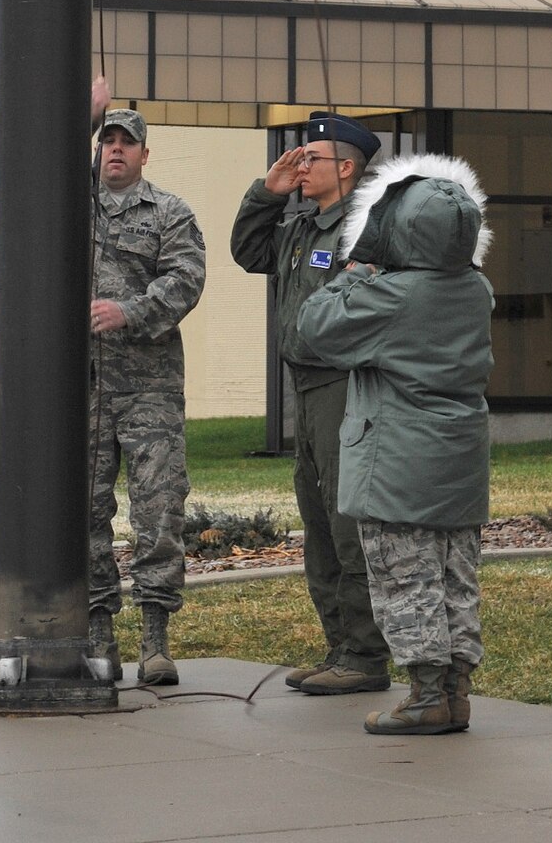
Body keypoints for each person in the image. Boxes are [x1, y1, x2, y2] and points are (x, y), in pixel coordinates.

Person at [297, 147, 494, 735]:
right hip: (459, 464)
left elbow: (314, 325)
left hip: (397, 468)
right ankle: (456, 692)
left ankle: (426, 696)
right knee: (455, 578)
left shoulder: (391, 296)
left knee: (405, 581)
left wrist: (353, 272)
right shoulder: (474, 290)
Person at [230, 111, 390, 695]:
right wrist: (265, 194)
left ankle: (367, 655)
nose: (300, 164)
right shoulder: (300, 226)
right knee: (318, 521)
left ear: (345, 168)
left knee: (347, 522)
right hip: (307, 387)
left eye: (311, 158)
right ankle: (339, 646)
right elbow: (249, 251)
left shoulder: (364, 230)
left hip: (345, 386)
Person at [87, 80, 206, 687]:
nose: (115, 150)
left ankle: (155, 638)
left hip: (148, 387)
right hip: (81, 388)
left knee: (158, 510)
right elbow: (33, 188)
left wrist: (128, 311)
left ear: (143, 154)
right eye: (106, 140)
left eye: (125, 143)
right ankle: (99, 632)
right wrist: (85, 111)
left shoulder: (170, 213)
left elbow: (187, 278)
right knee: (84, 510)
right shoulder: (69, 199)